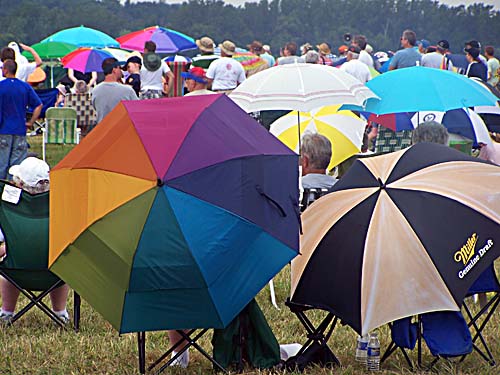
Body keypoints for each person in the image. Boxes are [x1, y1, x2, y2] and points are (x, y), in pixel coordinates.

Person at [0, 157, 70, 325]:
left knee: (9, 262)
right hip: (55, 275)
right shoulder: (62, 204)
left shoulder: (9, 208)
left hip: (15, 273)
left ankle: (6, 312)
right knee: (63, 260)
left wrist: (6, 250)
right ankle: (60, 313)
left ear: (21, 185)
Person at [0, 59, 42, 179]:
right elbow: (38, 105)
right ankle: (13, 190)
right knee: (16, 166)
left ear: (6, 70)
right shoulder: (24, 87)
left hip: (3, 130)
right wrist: (31, 122)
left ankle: (2, 190)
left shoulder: (1, 86)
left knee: (2, 164)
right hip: (20, 129)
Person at [91, 58, 138, 124]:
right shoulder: (127, 90)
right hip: (122, 129)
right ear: (114, 70)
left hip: (102, 129)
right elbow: (137, 109)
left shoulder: (95, 90)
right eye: (119, 68)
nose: (121, 71)